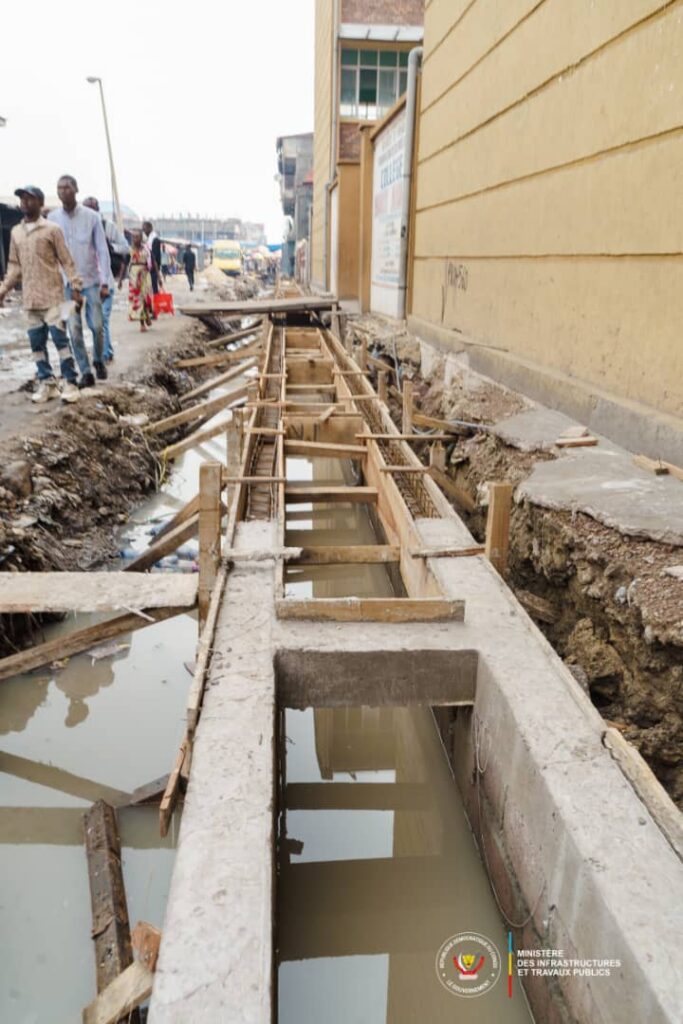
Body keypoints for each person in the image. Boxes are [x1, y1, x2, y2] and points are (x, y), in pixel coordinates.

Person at [0, 186, 81, 404]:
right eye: (22, 199)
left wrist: (76, 286)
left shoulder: (51, 230)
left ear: (40, 203)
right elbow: (14, 267)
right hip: (30, 300)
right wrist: (3, 290)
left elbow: (66, 260)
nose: (25, 203)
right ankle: (47, 383)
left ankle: (71, 382)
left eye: (30, 199)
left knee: (60, 341)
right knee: (36, 344)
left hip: (54, 297)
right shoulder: (16, 233)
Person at [48, 175, 111, 388]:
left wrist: (105, 283)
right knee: (74, 329)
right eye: (59, 188)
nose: (62, 191)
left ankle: (99, 360)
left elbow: (102, 250)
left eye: (66, 187)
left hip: (91, 282)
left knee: (98, 326)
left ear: (76, 190)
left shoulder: (92, 217)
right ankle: (85, 371)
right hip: (66, 285)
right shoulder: (53, 219)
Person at [82, 197, 129, 363]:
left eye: (91, 209)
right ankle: (105, 350)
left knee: (102, 319)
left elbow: (125, 247)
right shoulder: (80, 228)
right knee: (94, 322)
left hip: (105, 282)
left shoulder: (108, 227)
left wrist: (110, 247)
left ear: (97, 209)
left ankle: (105, 354)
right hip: (88, 283)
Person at [120, 229, 153, 331]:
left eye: (137, 237)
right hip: (134, 277)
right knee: (139, 299)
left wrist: (159, 278)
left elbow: (154, 262)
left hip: (145, 275)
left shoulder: (146, 250)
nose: (135, 239)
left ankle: (147, 314)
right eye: (133, 237)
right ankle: (142, 323)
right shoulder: (129, 250)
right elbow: (124, 265)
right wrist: (120, 280)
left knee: (147, 299)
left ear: (141, 238)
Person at [142, 221, 162, 294]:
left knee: (154, 286)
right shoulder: (147, 240)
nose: (143, 231)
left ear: (150, 228)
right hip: (148, 267)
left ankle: (155, 302)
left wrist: (158, 274)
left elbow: (154, 257)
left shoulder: (155, 240)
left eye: (145, 229)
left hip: (153, 267)